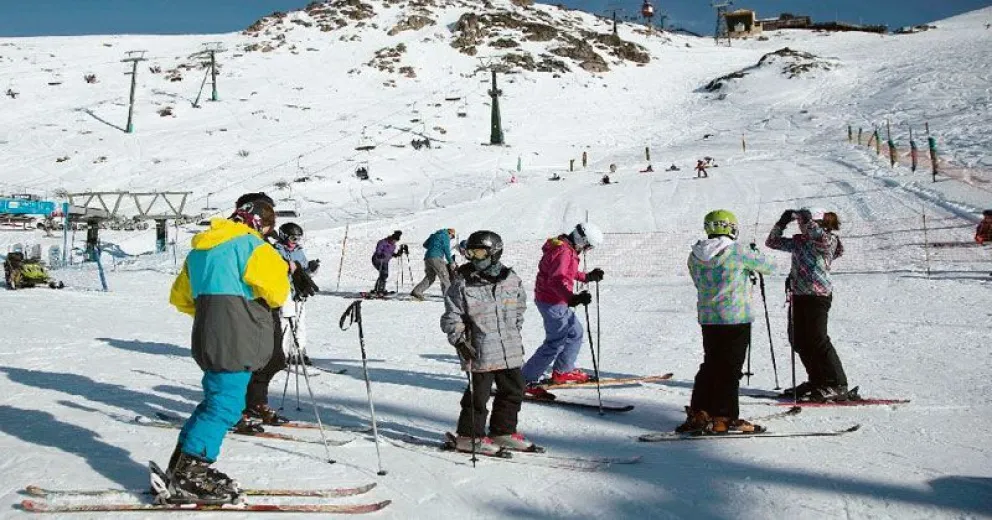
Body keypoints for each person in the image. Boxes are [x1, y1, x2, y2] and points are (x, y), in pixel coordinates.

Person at [163, 199, 289, 504]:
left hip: (208, 336)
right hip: (238, 336)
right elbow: (277, 293)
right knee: (226, 406)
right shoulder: (253, 247)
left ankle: (180, 467)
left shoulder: (201, 249)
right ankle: (191, 475)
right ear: (262, 225)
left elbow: (180, 298)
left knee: (215, 402)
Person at [677, 210, 774, 433]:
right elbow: (769, 267)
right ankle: (724, 416)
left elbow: (697, 281)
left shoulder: (695, 255)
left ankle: (700, 411)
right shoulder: (738, 251)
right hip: (735, 317)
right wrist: (754, 253)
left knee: (711, 364)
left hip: (709, 317)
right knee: (729, 368)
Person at [440, 230, 535, 454]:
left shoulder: (511, 279)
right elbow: (452, 317)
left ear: (495, 253)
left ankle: (503, 431)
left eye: (480, 253)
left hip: (509, 347)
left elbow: (519, 308)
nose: (474, 258)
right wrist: (460, 341)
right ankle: (469, 436)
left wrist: (513, 330)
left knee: (514, 390)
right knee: (478, 396)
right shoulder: (462, 283)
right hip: (479, 349)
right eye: (470, 253)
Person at [766, 207, 849, 402]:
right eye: (800, 223)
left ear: (818, 223)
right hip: (798, 295)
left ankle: (837, 384)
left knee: (818, 339)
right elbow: (772, 242)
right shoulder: (799, 241)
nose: (801, 226)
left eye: (803, 223)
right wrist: (781, 223)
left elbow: (819, 237)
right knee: (798, 339)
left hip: (817, 296)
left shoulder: (828, 240)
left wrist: (807, 220)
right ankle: (817, 380)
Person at [521, 223, 605, 395]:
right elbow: (556, 279)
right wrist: (571, 298)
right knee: (555, 342)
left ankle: (563, 371)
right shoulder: (563, 251)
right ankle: (525, 380)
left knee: (575, 332)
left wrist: (587, 277)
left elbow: (567, 271)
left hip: (557, 300)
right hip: (552, 302)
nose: (586, 251)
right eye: (587, 247)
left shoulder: (566, 249)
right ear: (582, 240)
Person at [274, 222, 319, 368]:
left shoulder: (299, 252)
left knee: (300, 322)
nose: (295, 242)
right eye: (293, 238)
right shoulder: (275, 251)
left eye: (298, 239)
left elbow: (305, 272)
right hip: (284, 290)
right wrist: (287, 268)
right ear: (284, 236)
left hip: (299, 291)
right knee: (285, 322)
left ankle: (299, 351)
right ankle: (283, 353)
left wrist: (312, 269)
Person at [411, 228, 456, 300]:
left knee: (430, 277)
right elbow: (447, 250)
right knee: (445, 276)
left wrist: (434, 246)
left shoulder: (434, 235)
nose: (451, 238)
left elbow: (425, 245)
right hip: (436, 258)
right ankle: (449, 296)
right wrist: (451, 262)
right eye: (452, 236)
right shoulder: (445, 236)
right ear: (450, 233)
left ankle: (417, 291)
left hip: (428, 258)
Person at [371, 230, 405, 296]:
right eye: (394, 240)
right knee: (384, 274)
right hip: (377, 260)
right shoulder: (383, 242)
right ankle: (380, 289)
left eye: (396, 241)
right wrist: (379, 254)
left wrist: (396, 254)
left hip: (385, 262)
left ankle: (378, 289)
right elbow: (378, 249)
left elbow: (390, 253)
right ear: (391, 238)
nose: (394, 242)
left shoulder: (393, 246)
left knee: (384, 275)